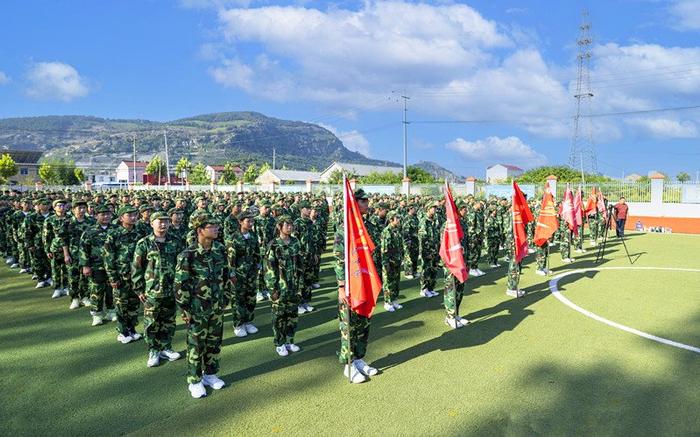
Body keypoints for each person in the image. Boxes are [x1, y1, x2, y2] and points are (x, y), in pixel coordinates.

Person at [333, 189, 379, 384]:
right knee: (349, 324)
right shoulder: (345, 228)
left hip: (365, 280)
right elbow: (339, 258)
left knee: (363, 322)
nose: (368, 204)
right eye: (364, 201)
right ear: (355, 203)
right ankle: (348, 365)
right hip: (352, 282)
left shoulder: (367, 225)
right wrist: (341, 285)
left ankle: (359, 359)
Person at [132, 212, 183, 367]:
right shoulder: (144, 243)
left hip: (171, 289)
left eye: (166, 222)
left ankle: (166, 347)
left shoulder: (175, 241)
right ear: (151, 223)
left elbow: (182, 264)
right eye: (160, 221)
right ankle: (154, 350)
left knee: (168, 320)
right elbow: (136, 267)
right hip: (152, 290)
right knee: (151, 321)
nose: (163, 225)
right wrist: (139, 289)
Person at [265, 215, 303, 357]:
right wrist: (272, 289)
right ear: (279, 227)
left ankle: (289, 340)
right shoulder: (273, 245)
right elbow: (269, 269)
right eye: (287, 225)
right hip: (280, 288)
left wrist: (301, 285)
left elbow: (300, 265)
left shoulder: (295, 242)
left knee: (292, 315)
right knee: (279, 317)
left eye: (291, 224)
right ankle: (279, 343)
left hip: (294, 286)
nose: (290, 227)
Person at [104, 205, 142, 344]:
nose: (133, 217)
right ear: (121, 218)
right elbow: (108, 258)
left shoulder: (140, 233)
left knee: (134, 303)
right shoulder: (114, 234)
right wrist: (113, 277)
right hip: (121, 276)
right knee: (121, 304)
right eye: (129, 215)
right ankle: (122, 331)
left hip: (136, 275)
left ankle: (132, 329)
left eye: (134, 215)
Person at [227, 209, 261, 338]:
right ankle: (238, 324)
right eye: (248, 221)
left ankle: (248, 321)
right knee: (238, 299)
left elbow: (257, 252)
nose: (251, 223)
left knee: (250, 297)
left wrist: (258, 265)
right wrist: (232, 274)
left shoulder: (253, 235)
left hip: (251, 272)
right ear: (241, 222)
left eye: (252, 221)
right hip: (238, 274)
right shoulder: (233, 238)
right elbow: (230, 259)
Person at [79, 205, 115, 326]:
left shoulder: (116, 229)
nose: (106, 216)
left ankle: (111, 311)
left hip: (113, 266)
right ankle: (97, 314)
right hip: (96, 266)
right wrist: (85, 265)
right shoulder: (90, 231)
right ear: (96, 216)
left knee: (112, 290)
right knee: (97, 290)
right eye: (102, 214)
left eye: (108, 214)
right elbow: (83, 249)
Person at [380, 210, 403, 311]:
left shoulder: (397, 230)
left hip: (396, 261)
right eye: (396, 218)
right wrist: (386, 263)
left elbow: (400, 245)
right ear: (390, 220)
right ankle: (387, 302)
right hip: (389, 262)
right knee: (388, 282)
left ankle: (394, 300)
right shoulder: (386, 231)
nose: (398, 220)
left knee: (396, 281)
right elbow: (384, 249)